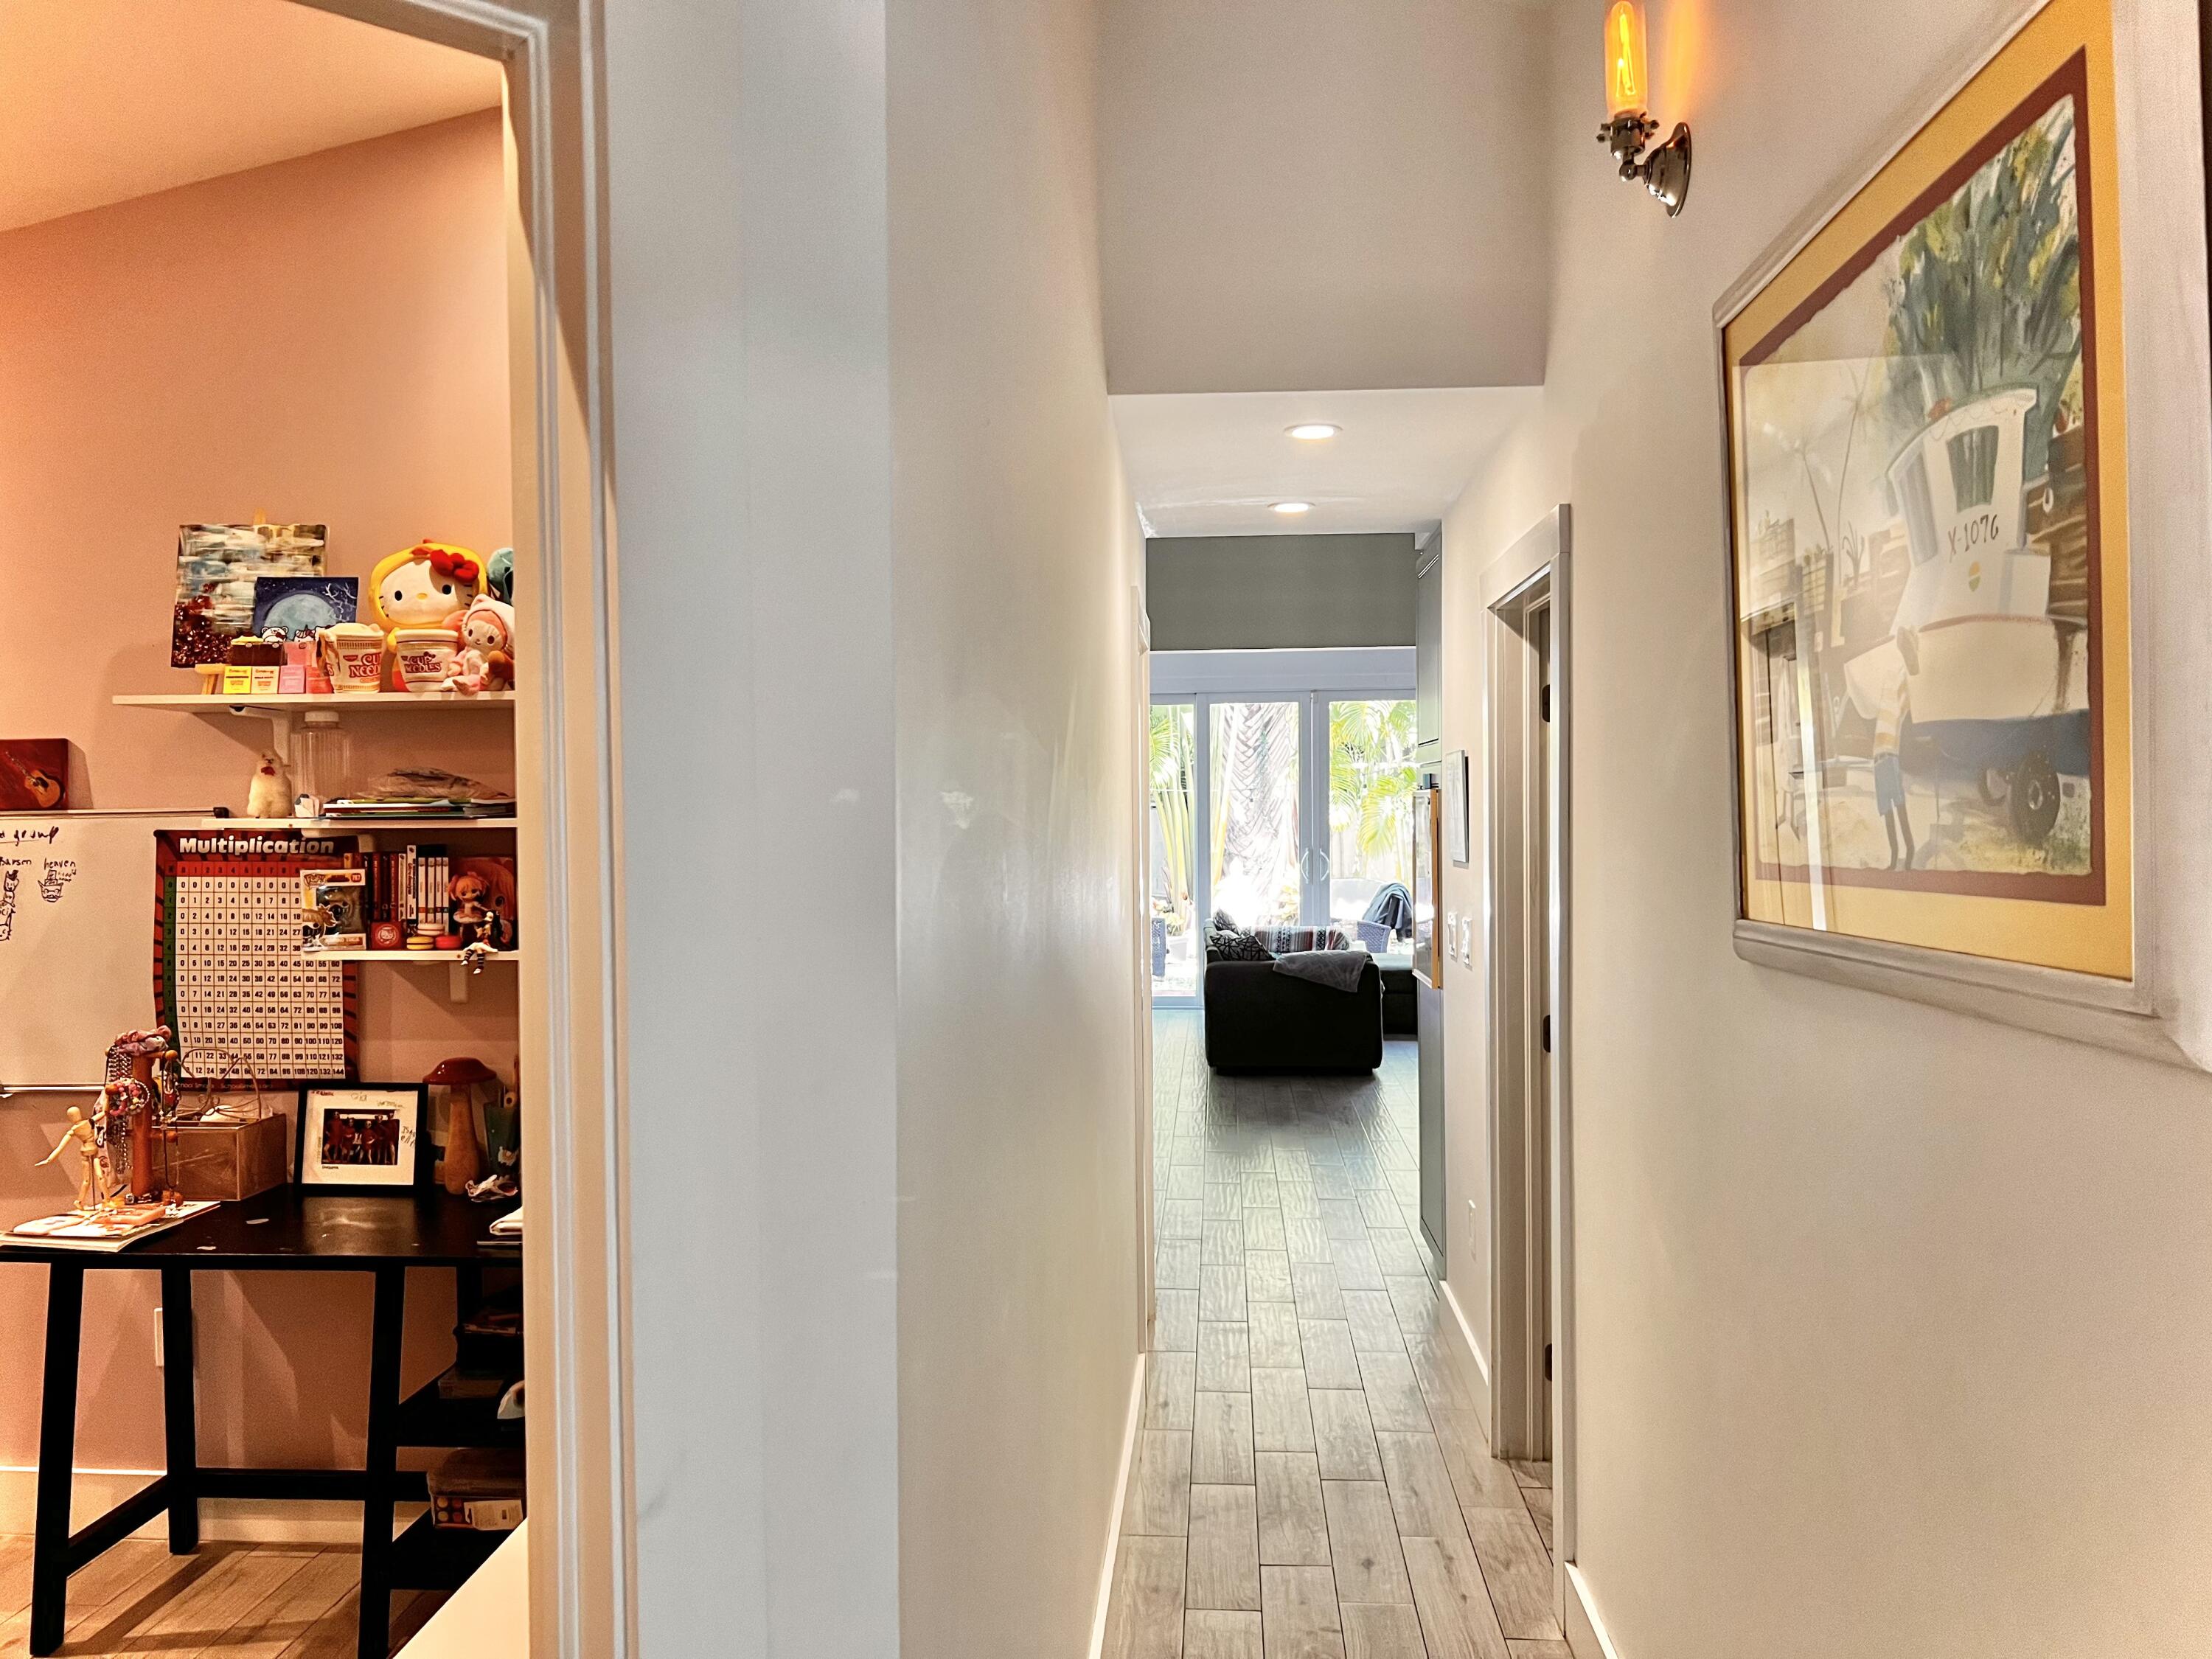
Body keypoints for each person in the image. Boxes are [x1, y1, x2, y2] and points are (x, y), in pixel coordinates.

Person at [1874, 659, 1915, 871]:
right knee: (1887, 811)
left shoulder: (1899, 697)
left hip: (1889, 758)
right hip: (1878, 762)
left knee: (1899, 808)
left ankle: (1909, 854)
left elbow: (1907, 702)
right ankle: (1895, 856)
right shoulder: (1883, 699)